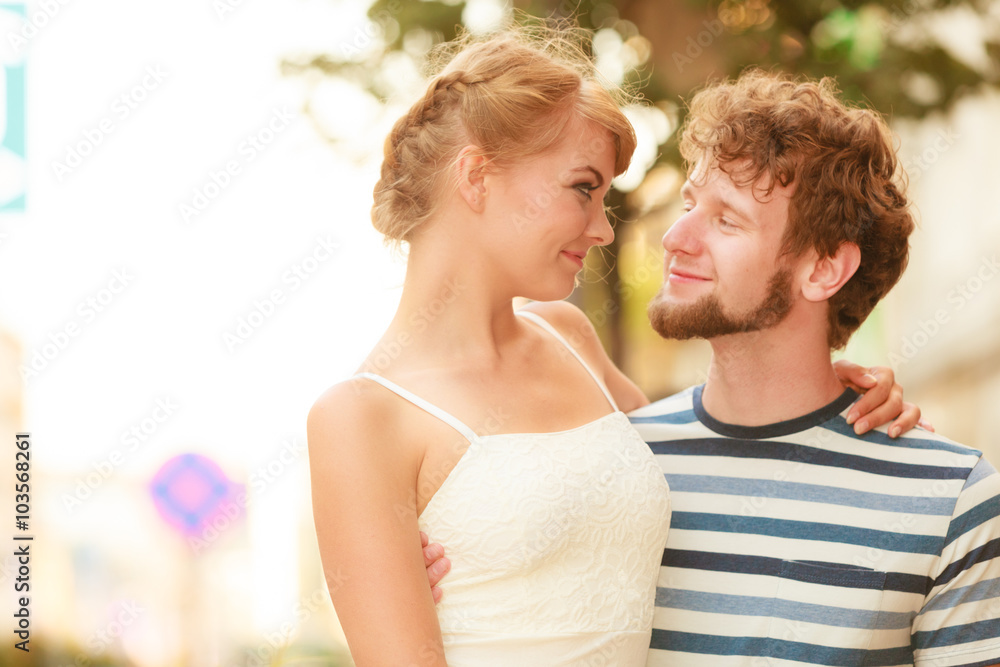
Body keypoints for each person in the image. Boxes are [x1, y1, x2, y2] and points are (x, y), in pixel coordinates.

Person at [308, 28, 921, 667]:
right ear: (476, 176)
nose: (603, 229)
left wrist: (830, 391)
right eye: (582, 187)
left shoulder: (569, 338)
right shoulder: (359, 418)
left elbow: (705, 442)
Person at [630, 71, 1000, 664]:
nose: (675, 237)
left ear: (825, 270)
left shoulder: (954, 500)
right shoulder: (621, 464)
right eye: (691, 204)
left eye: (727, 220)